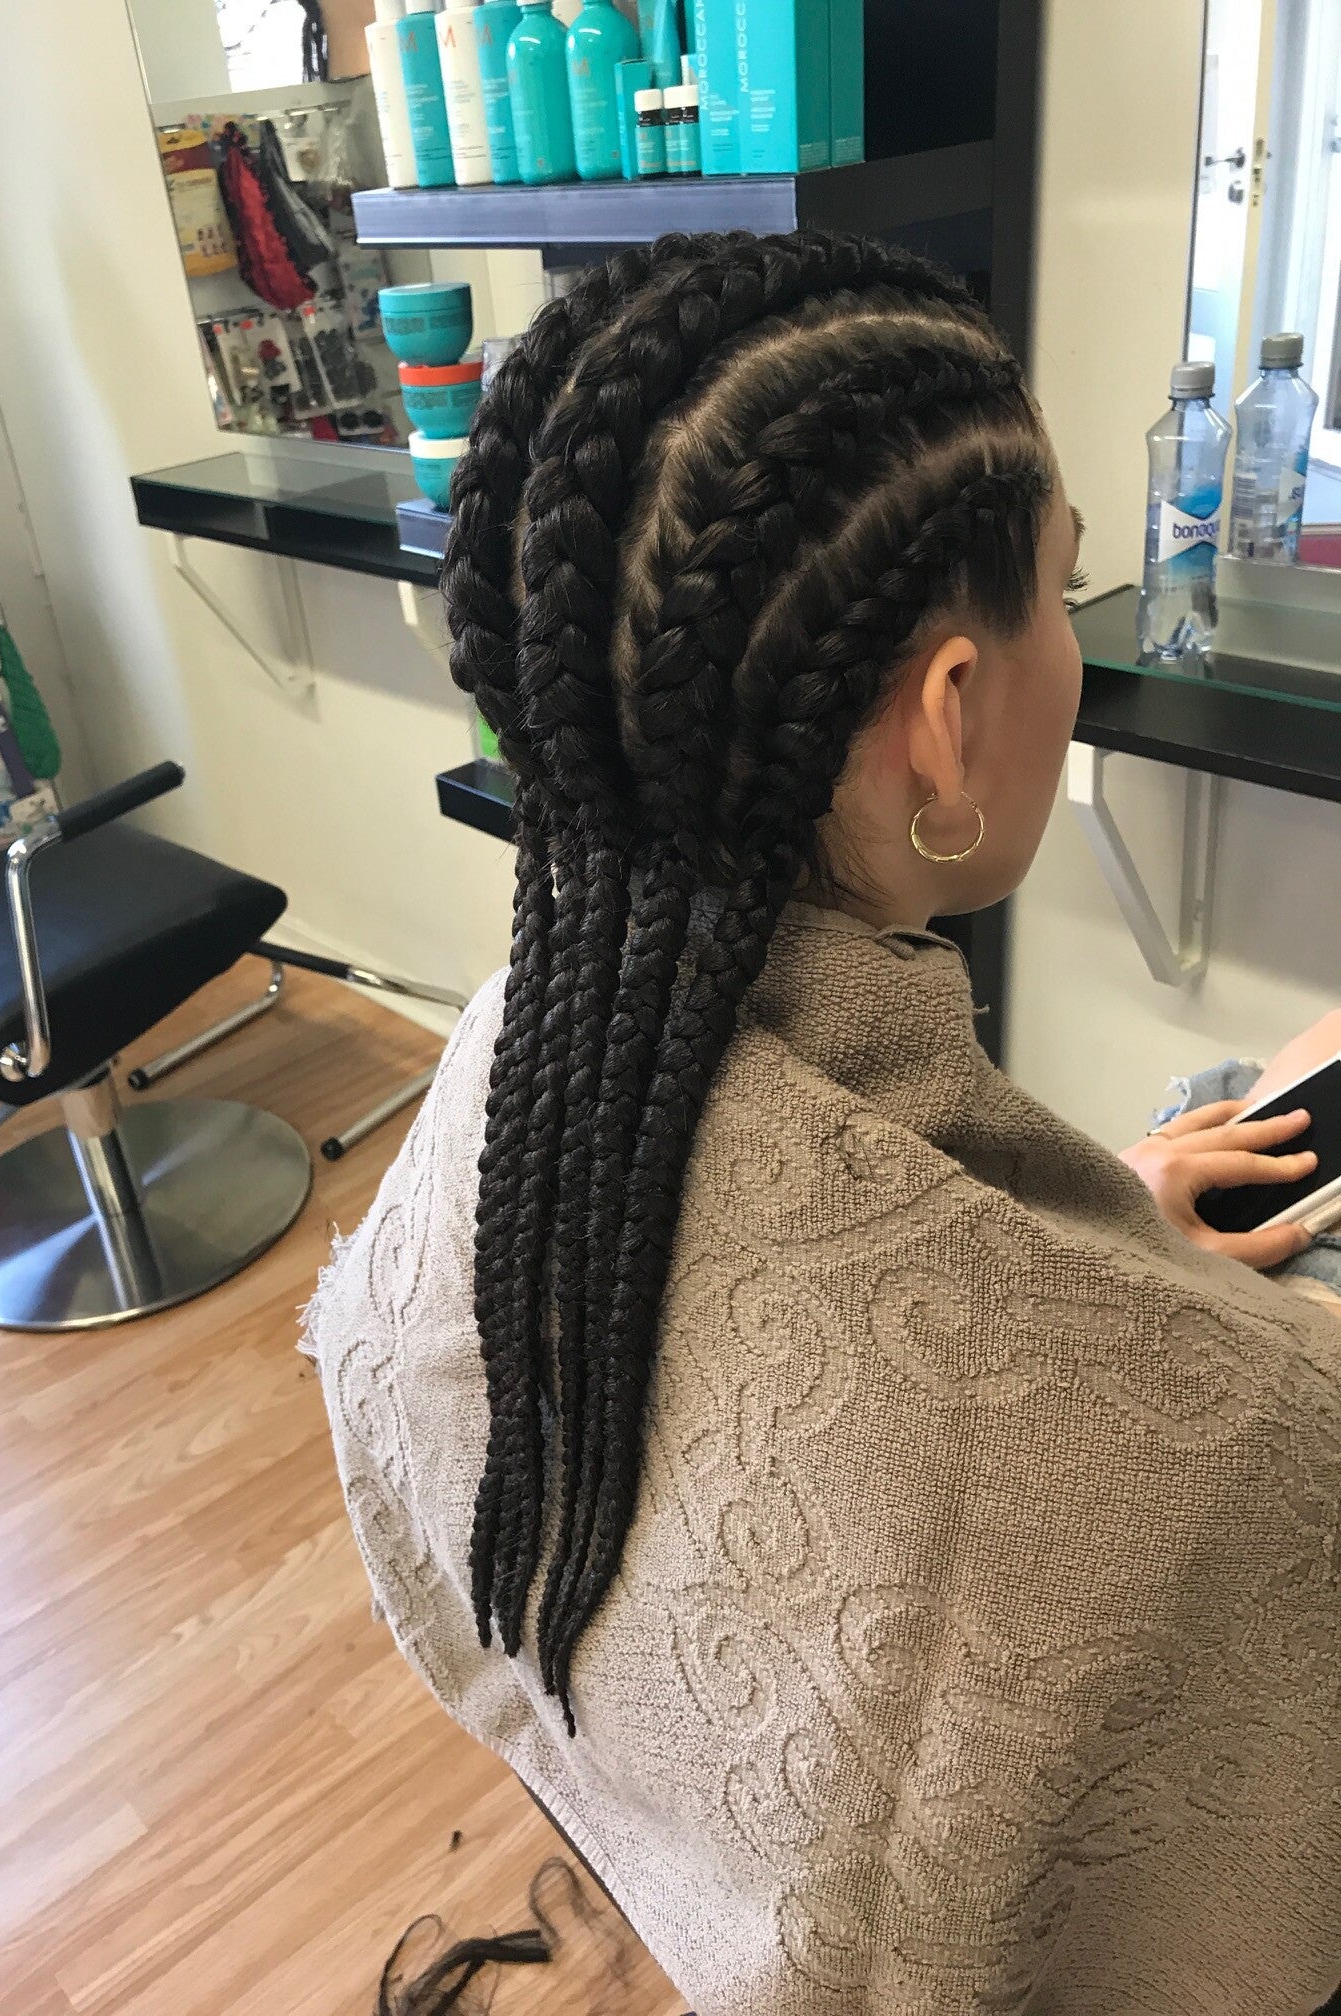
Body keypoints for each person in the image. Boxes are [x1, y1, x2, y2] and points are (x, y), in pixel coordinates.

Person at [303, 232, 1340, 2015]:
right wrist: (1157, 1327)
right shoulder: (1227, 1456)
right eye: (1063, 590)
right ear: (947, 717)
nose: (1074, 646)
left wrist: (1088, 1221)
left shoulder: (529, 1060)